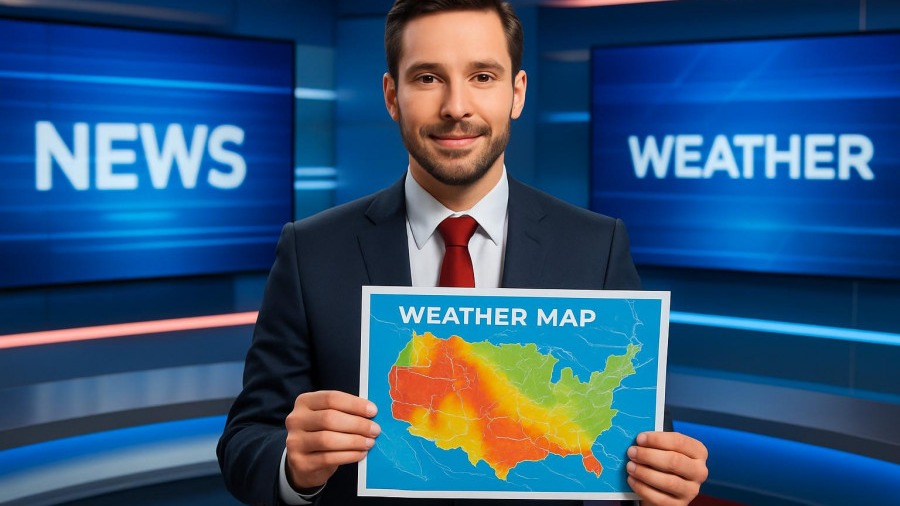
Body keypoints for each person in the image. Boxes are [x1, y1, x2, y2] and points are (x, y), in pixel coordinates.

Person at [217, 1, 709, 505]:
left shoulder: (597, 247)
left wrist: (664, 478)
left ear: (517, 93)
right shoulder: (312, 251)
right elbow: (245, 441)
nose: (456, 106)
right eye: (428, 78)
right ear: (392, 95)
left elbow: (636, 445)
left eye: (482, 76)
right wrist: (293, 466)